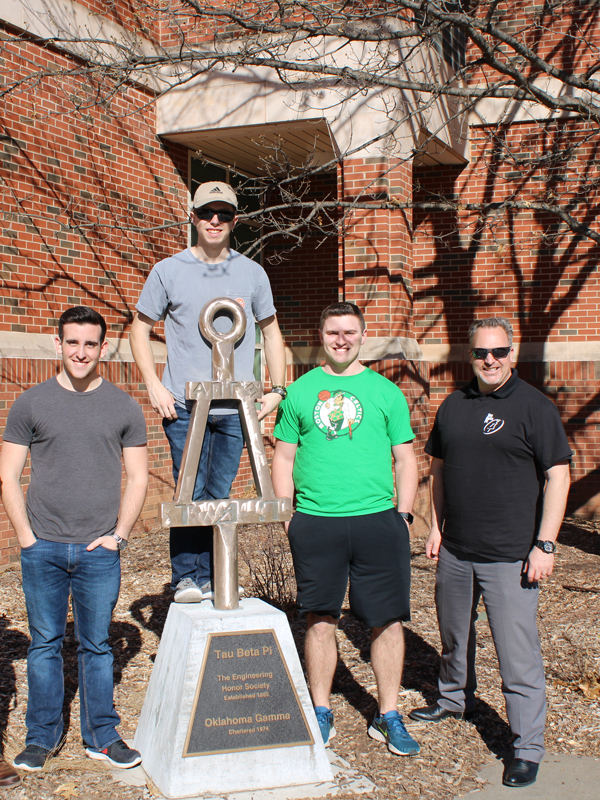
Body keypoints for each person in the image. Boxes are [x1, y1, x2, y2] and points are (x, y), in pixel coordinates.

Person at [409, 317, 572, 788]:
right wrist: (436, 528)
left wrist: (545, 543)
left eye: (499, 351)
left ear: (511, 353)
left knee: (516, 653)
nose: (490, 360)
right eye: (482, 352)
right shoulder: (454, 405)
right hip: (457, 550)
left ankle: (526, 746)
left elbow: (557, 477)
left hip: (512, 556)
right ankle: (453, 697)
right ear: (470, 354)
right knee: (453, 635)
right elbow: (438, 470)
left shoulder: (534, 408)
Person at [0, 307, 148, 772]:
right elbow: (8, 476)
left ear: (104, 348)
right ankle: (41, 739)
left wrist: (118, 536)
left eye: (90, 344)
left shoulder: (124, 405)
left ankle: (101, 736)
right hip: (42, 546)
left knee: (97, 645)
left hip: (98, 550)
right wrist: (27, 538)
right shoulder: (31, 403)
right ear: (57, 344)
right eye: (72, 342)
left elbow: (139, 478)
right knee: (44, 644)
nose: (80, 352)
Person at [271, 302, 420, 756]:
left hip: (378, 520)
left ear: (362, 335)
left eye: (349, 332)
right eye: (333, 331)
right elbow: (283, 457)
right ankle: (320, 709)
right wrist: (287, 515)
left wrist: (405, 514)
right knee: (320, 621)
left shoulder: (385, 392)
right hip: (316, 522)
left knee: (387, 623)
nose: (341, 339)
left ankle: (388, 714)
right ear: (322, 333)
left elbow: (405, 458)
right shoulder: (300, 391)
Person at [130, 181, 286, 604]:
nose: (214, 221)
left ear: (234, 220)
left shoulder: (252, 273)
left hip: (236, 411)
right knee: (189, 494)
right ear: (193, 217)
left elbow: (271, 332)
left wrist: (278, 389)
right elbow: (139, 329)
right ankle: (187, 578)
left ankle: (218, 576)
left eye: (223, 214)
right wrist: (153, 384)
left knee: (219, 495)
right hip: (184, 407)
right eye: (206, 213)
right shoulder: (168, 270)